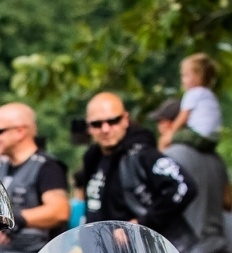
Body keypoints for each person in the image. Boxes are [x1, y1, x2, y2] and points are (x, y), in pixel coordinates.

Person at [77, 92, 193, 243]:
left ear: (125, 120)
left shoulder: (141, 154)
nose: (105, 129)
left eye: (113, 121)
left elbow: (183, 187)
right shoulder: (92, 158)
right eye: (97, 124)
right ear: (89, 127)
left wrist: (141, 224)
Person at [0, 102, 70, 253]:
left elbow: (59, 210)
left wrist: (17, 220)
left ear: (20, 131)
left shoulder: (47, 167)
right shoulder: (1, 168)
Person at [150, 97, 229, 253]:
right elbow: (229, 201)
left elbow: (155, 200)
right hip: (215, 251)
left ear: (172, 124)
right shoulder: (216, 158)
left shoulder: (170, 156)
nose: (160, 129)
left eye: (161, 123)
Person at [175, 53, 222, 149]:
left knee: (166, 139)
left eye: (186, 75)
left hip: (199, 135)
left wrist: (171, 132)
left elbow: (182, 118)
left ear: (199, 76)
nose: (182, 79)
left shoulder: (193, 93)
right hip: (213, 139)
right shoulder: (210, 95)